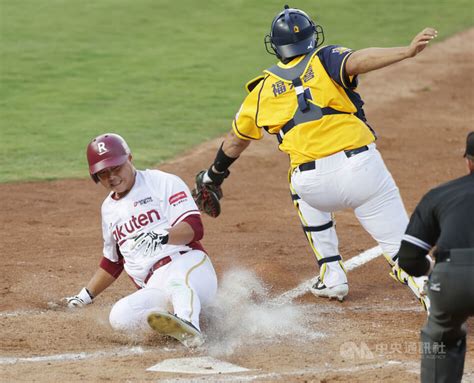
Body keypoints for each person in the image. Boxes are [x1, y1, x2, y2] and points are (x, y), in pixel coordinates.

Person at [194, 5, 437, 306]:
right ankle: (423, 284)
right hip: (362, 172)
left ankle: (332, 275)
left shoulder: (260, 92)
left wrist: (214, 176)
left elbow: (234, 142)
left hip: (313, 187)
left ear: (276, 46)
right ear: (312, 37)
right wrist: (406, 51)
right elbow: (358, 60)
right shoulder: (326, 58)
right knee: (400, 250)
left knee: (297, 181)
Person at [66, 133, 218, 348]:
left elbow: (194, 227)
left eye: (116, 168)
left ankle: (190, 326)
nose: (111, 177)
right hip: (154, 285)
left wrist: (163, 235)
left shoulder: (162, 182)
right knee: (119, 316)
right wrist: (83, 297)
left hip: (189, 266)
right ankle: (174, 321)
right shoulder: (108, 209)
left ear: (130, 158)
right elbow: (113, 261)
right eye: (103, 173)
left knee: (178, 283)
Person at [396, 132, 474, 383]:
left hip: (453, 278)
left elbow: (408, 259)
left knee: (441, 337)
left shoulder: (440, 195)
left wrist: (432, 269)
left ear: (469, 162)